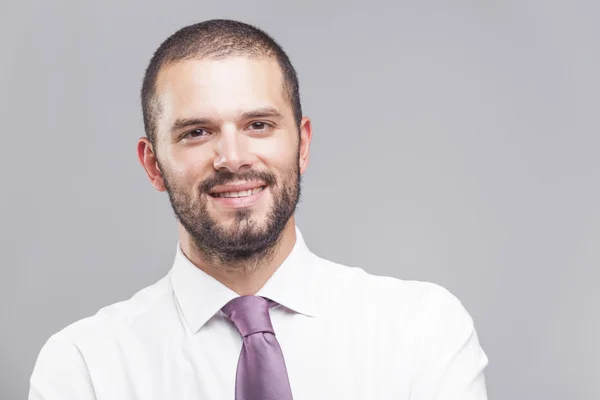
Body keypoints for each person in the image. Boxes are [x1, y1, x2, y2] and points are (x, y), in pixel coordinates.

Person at [29, 19, 488, 400]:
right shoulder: (84, 367)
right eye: (196, 132)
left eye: (258, 125)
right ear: (153, 164)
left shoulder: (423, 332)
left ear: (302, 145)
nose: (232, 157)